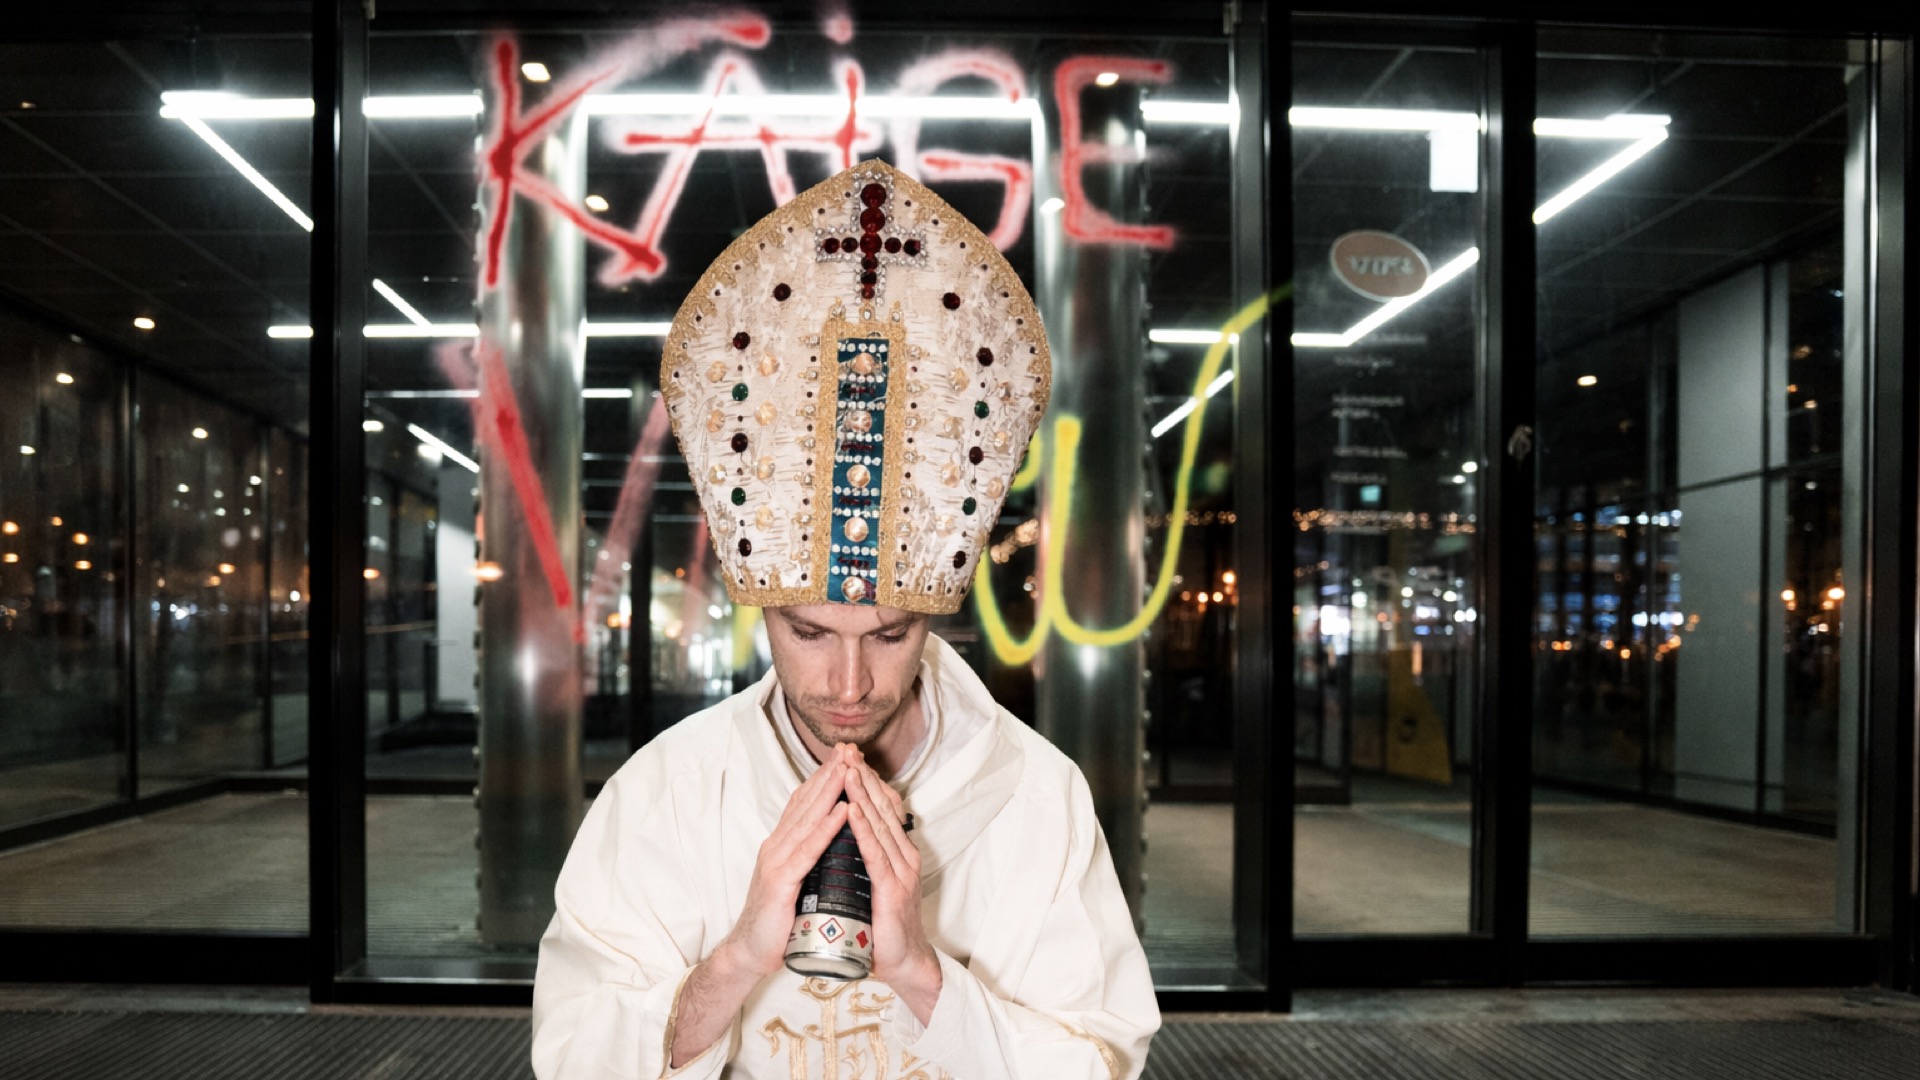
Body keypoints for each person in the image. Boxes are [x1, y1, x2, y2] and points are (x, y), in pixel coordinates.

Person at [532, 160, 1159, 1080]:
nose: (850, 685)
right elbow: (572, 1054)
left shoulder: (1036, 796)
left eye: (890, 635)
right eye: (811, 633)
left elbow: (1102, 1061)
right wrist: (738, 956)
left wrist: (921, 976)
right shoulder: (671, 790)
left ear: (931, 624)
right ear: (764, 617)